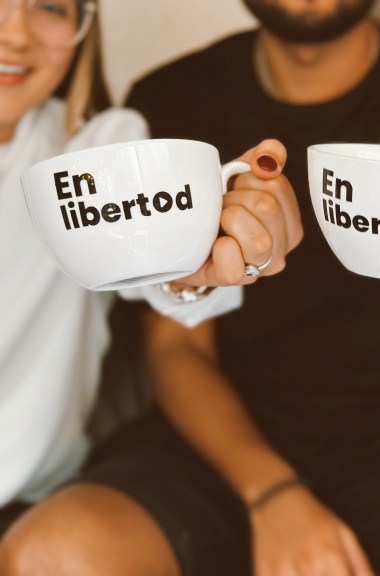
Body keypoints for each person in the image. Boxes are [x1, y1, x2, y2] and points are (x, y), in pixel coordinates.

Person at [0, 1, 380, 575]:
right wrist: (271, 492)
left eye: (46, 8)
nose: (16, 31)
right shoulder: (173, 98)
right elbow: (175, 344)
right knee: (53, 555)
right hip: (206, 445)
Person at [0, 0, 301, 555]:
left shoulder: (92, 152)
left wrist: (194, 269)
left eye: (50, 7)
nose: (15, 34)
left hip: (23, 507)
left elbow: (156, 273)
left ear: (84, 29)